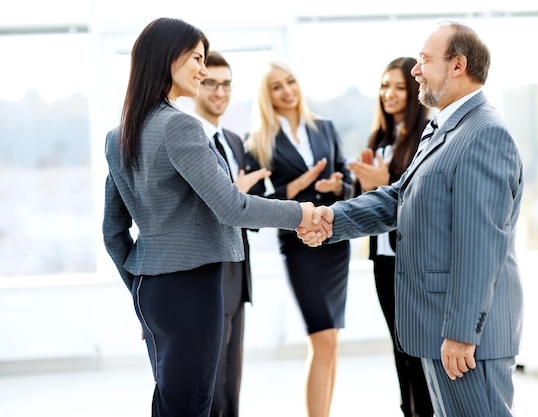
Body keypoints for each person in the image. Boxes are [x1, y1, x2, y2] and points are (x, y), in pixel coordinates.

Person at [102, 18, 327, 417]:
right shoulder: (180, 127)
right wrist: (301, 212)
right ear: (168, 58)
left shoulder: (121, 134)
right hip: (191, 288)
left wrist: (139, 290)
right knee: (191, 407)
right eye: (196, 59)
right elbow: (233, 207)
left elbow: (113, 232)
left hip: (151, 291)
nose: (203, 71)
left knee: (171, 402)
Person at [298, 22, 524, 417]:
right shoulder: (444, 129)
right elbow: (399, 197)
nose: (415, 70)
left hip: (464, 339)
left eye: (423, 60)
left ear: (457, 65)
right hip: (438, 330)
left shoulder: (484, 134)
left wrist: (460, 334)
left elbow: (480, 247)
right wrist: (332, 218)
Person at [244, 60, 353, 417]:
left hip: (335, 241)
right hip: (299, 244)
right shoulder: (258, 142)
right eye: (276, 86)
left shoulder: (324, 127)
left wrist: (337, 184)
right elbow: (252, 205)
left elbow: (348, 180)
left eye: (290, 81)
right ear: (267, 95)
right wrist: (300, 186)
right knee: (321, 338)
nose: (287, 90)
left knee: (331, 341)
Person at [348, 57, 433, 417]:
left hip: (413, 261)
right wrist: (350, 185)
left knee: (417, 350)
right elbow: (368, 202)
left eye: (399, 86)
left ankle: (424, 411)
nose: (390, 94)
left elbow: (423, 203)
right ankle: (408, 410)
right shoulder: (379, 139)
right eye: (385, 86)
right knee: (399, 348)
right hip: (383, 259)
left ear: (415, 91)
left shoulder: (427, 137)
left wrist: (383, 183)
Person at [191, 51, 270, 417]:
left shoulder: (236, 141)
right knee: (206, 375)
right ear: (196, 84)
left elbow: (244, 210)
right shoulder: (190, 141)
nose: (220, 92)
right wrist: (233, 195)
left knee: (230, 375)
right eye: (211, 83)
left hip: (237, 272)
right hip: (205, 272)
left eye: (226, 84)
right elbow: (196, 211)